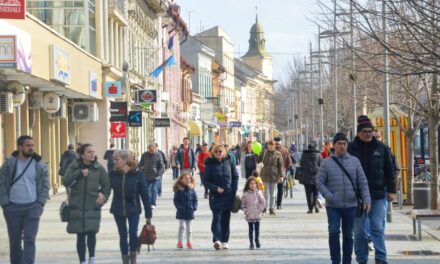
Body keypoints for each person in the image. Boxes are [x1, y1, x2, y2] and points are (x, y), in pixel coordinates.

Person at [348, 115, 396, 264]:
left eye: (370, 131)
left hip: (378, 195)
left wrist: (391, 190)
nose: (368, 134)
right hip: (357, 197)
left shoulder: (381, 148)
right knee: (360, 231)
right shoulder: (350, 148)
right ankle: (362, 259)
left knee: (377, 228)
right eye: (365, 132)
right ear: (358, 133)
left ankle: (381, 258)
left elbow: (390, 170)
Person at [317, 133, 371, 264]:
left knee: (348, 234)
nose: (342, 146)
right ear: (334, 145)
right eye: (339, 144)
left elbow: (362, 182)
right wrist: (329, 196)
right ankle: (335, 260)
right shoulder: (326, 162)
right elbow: (319, 182)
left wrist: (366, 199)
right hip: (333, 206)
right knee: (334, 231)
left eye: (344, 143)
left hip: (351, 205)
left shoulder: (354, 161)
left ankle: (347, 260)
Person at [0, 135, 50, 264]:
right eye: (28, 146)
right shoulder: (10, 163)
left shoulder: (39, 164)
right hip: (12, 208)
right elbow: (1, 183)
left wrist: (40, 203)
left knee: (29, 239)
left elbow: (45, 185)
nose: (31, 148)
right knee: (15, 241)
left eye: (32, 145)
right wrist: (5, 203)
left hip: (32, 207)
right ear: (20, 147)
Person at [63, 143, 111, 264]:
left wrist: (103, 197)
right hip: (77, 205)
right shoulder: (74, 166)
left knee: (91, 233)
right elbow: (66, 181)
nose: (92, 154)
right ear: (82, 154)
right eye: (89, 152)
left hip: (92, 205)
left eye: (93, 151)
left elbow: (107, 185)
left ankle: (92, 258)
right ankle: (82, 260)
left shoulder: (99, 168)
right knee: (80, 235)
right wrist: (79, 173)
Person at [110, 150, 152, 264]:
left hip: (133, 208)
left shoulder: (138, 174)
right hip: (118, 209)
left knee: (133, 233)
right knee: (122, 235)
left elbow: (144, 194)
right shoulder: (113, 174)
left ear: (125, 160)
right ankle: (125, 259)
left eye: (117, 159)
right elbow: (105, 188)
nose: (114, 162)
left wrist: (148, 213)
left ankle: (133, 257)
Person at [202, 144, 239, 250]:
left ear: (224, 152)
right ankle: (217, 239)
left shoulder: (229, 161)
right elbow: (205, 181)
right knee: (216, 218)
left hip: (228, 194)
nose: (218, 153)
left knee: (226, 219)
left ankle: (225, 241)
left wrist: (233, 189)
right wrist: (215, 188)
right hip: (215, 195)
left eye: (220, 151)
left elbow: (235, 176)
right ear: (213, 152)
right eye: (216, 151)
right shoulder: (210, 164)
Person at [255, 140, 284, 215]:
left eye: (272, 145)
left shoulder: (278, 154)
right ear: (267, 146)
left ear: (274, 146)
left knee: (273, 193)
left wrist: (281, 175)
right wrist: (255, 153)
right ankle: (264, 208)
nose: (270, 147)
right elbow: (258, 161)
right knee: (265, 193)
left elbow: (280, 165)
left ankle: (271, 208)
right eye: (269, 145)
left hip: (274, 176)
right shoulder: (264, 153)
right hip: (264, 175)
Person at [173, 172, 198, 249]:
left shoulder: (192, 189)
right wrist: (179, 207)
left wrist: (194, 207)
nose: (187, 180)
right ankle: (180, 242)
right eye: (185, 178)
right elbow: (175, 200)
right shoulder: (179, 190)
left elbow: (195, 199)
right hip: (181, 211)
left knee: (189, 229)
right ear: (181, 180)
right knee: (182, 227)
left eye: (189, 178)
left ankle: (189, 241)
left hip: (190, 211)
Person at [241, 176, 266, 249]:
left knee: (257, 230)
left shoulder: (259, 192)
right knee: (250, 230)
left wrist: (260, 210)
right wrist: (246, 211)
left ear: (256, 184)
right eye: (251, 184)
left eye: (254, 183)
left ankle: (257, 240)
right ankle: (251, 242)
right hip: (249, 215)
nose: (253, 185)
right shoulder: (245, 194)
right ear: (248, 185)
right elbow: (243, 205)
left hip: (257, 214)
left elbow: (263, 202)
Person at [299, 142, 323, 214]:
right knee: (315, 192)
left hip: (307, 176)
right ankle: (315, 205)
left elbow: (301, 164)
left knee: (308, 193)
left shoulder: (304, 155)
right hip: (317, 176)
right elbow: (321, 165)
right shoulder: (318, 155)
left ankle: (310, 208)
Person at [139, 144, 164, 209]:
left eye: (153, 150)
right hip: (146, 176)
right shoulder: (144, 155)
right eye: (150, 150)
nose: (151, 151)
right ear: (148, 149)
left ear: (155, 149)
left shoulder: (158, 155)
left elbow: (162, 166)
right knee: (146, 191)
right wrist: (141, 167)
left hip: (155, 177)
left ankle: (153, 204)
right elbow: (140, 164)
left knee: (154, 190)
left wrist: (158, 173)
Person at [274, 138, 292, 210]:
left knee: (273, 188)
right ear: (281, 142)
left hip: (273, 171)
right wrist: (285, 168)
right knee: (280, 188)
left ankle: (273, 201)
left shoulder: (272, 150)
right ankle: (279, 204)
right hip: (282, 171)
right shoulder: (285, 150)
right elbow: (289, 161)